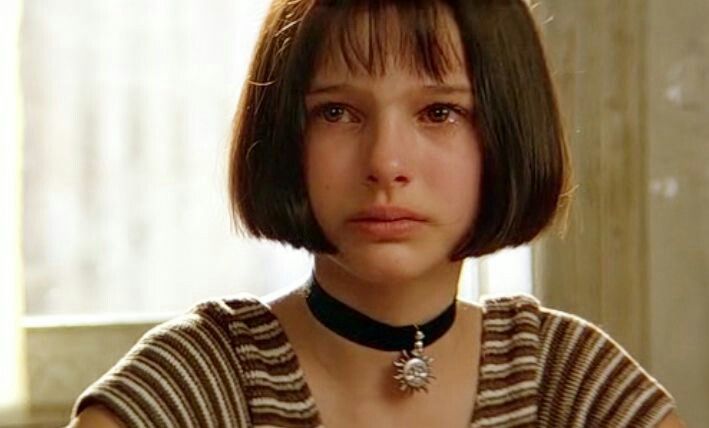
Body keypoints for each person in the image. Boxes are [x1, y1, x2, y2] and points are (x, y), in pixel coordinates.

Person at [68, 0, 685, 427]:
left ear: (508, 133)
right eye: (337, 112)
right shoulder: (193, 385)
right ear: (285, 135)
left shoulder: (569, 383)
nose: (386, 162)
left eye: (440, 112)